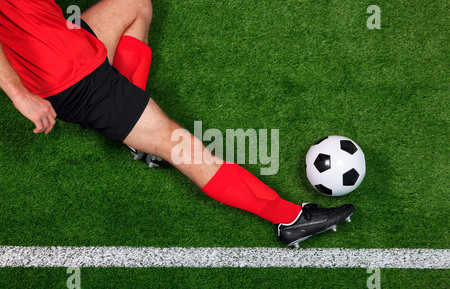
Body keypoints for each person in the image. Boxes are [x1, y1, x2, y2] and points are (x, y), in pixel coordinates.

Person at [0, 0, 354, 248]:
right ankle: (290, 220)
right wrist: (18, 93)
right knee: (182, 146)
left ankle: (133, 132)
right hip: (74, 79)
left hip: (67, 44)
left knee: (134, 3)